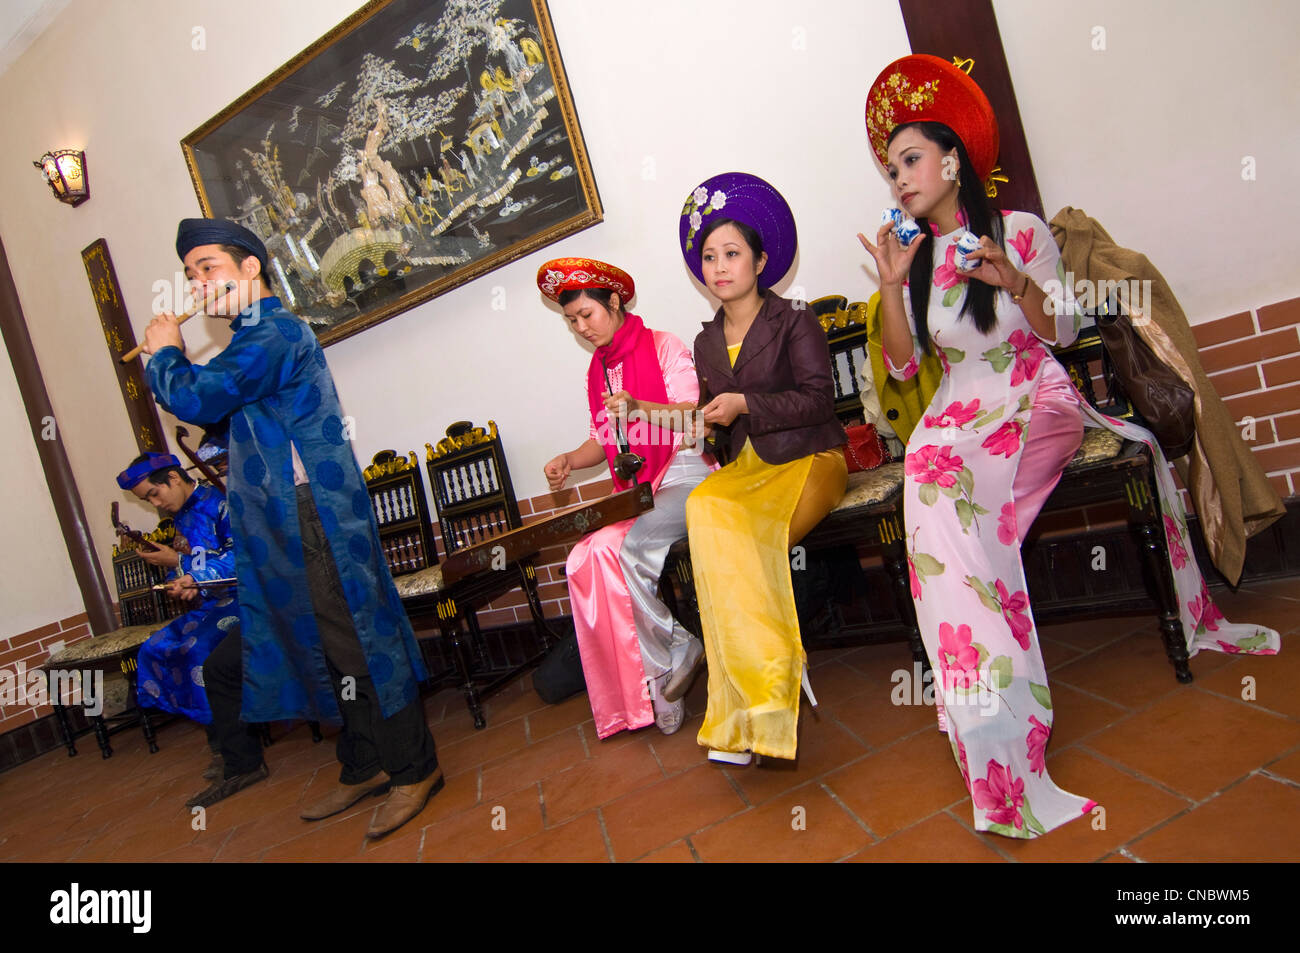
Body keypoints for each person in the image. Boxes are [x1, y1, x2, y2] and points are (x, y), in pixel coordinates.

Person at [858, 55, 1281, 837]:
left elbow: (1060, 330)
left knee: (960, 509)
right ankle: (992, 721)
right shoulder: (913, 264)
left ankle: (1000, 693)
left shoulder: (1017, 231)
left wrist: (1011, 276)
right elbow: (905, 365)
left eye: (910, 160)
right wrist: (890, 285)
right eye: (890, 170)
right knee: (931, 498)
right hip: (956, 413)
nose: (899, 180)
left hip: (1031, 395)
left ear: (953, 160)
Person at [141, 218, 442, 838]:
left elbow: (198, 400)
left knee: (356, 639)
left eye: (209, 267)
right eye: (191, 273)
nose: (199, 283)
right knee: (320, 644)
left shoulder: (275, 332)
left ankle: (415, 768)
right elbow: (229, 420)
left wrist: (166, 353)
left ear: (250, 268)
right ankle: (363, 765)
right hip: (277, 516)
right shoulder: (245, 343)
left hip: (314, 510)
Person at [679, 173, 848, 765]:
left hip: (810, 457)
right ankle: (744, 710)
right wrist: (697, 423)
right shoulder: (703, 343)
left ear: (760, 260)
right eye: (709, 256)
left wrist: (748, 404)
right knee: (703, 508)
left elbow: (819, 401)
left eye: (732, 253)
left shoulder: (794, 320)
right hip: (746, 467)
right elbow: (712, 419)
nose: (720, 266)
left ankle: (770, 697)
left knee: (741, 535)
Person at [537, 257, 711, 738]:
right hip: (637, 491)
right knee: (587, 556)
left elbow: (694, 421)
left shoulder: (662, 346)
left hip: (683, 472)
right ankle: (652, 685)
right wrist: (570, 460)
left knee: (630, 549)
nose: (580, 327)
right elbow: (602, 439)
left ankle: (672, 660)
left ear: (614, 302)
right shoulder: (598, 373)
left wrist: (638, 406)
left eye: (586, 315)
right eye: (571, 320)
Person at [117, 451, 237, 778]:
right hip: (212, 604)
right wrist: (180, 583)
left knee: (196, 650)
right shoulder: (182, 518)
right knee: (155, 646)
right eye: (147, 500)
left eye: (154, 494)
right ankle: (219, 739)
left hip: (245, 599)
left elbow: (243, 555)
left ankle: (231, 747)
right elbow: (190, 563)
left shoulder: (220, 501)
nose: (156, 504)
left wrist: (183, 568)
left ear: (172, 478)